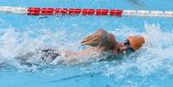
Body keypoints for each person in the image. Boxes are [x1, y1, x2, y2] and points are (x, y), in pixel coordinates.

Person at [16, 29, 146, 67]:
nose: (124, 49)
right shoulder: (108, 48)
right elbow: (104, 35)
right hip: (53, 58)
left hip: (53, 53)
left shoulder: (109, 47)